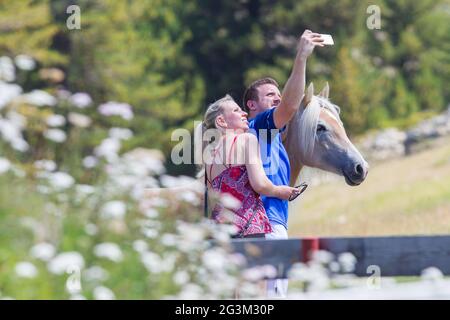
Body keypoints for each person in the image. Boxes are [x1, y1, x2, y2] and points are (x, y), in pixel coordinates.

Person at [242, 30, 323, 297]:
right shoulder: (259, 126)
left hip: (268, 225)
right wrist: (301, 57)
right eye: (270, 95)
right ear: (252, 105)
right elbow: (290, 106)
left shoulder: (272, 138)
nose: (277, 98)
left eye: (278, 93)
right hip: (266, 224)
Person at [197, 95, 300, 238]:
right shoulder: (247, 139)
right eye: (236, 110)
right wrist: (280, 191)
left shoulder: (209, 158)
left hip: (220, 233)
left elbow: (207, 201)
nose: (244, 113)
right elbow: (260, 184)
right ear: (221, 121)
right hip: (249, 228)